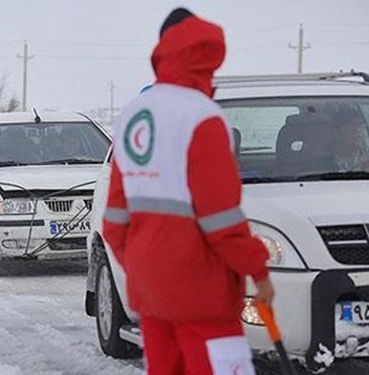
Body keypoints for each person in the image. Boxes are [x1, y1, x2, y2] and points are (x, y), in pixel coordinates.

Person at [103, 8, 273, 375]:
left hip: (151, 294)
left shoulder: (134, 115)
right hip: (204, 298)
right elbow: (222, 220)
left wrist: (143, 266)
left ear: (163, 50)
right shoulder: (204, 118)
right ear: (209, 54)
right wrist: (258, 269)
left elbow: (114, 220)